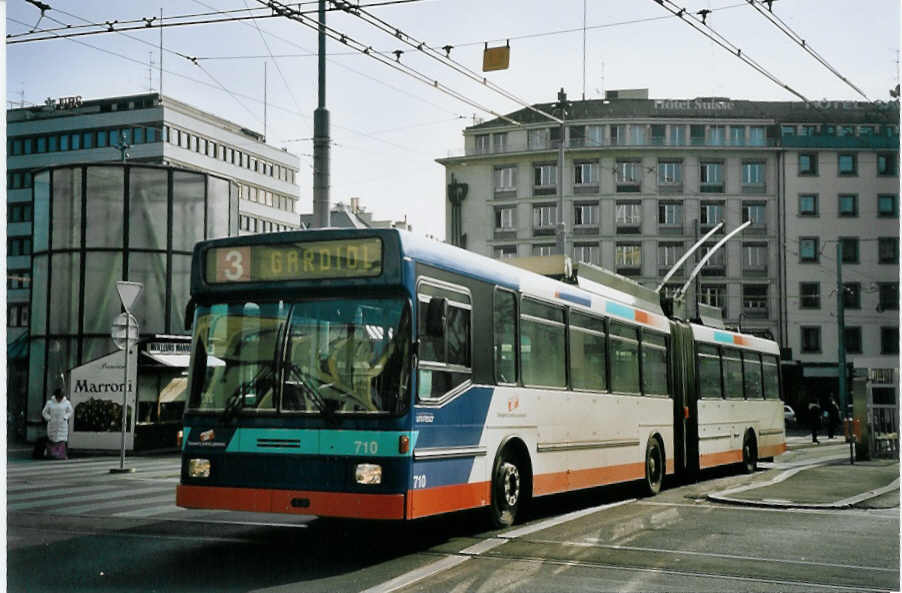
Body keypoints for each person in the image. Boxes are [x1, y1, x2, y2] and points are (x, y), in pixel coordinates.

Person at [41, 388, 73, 459]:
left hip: (62, 425)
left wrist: (65, 417)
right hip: (52, 424)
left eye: (60, 398)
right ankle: (51, 454)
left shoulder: (67, 403)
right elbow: (44, 412)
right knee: (52, 439)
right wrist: (49, 418)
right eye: (58, 398)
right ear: (55, 396)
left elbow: (70, 411)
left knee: (62, 440)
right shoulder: (49, 403)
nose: (59, 399)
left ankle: (61, 455)